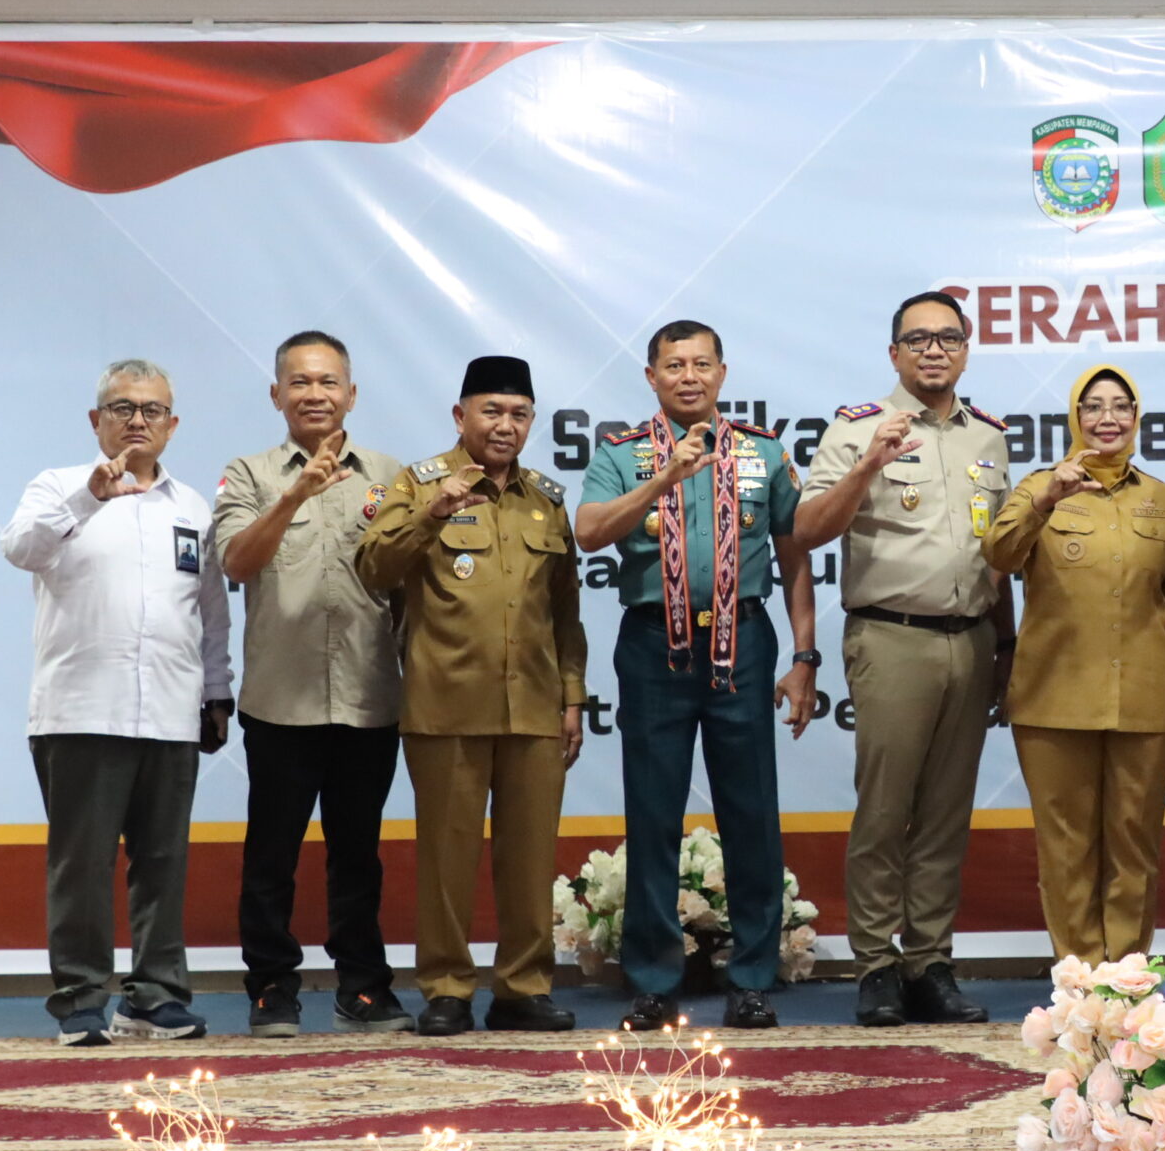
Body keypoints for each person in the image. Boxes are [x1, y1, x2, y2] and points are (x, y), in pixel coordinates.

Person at [577, 319, 818, 1032]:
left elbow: (797, 553)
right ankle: (653, 979)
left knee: (752, 812)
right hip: (655, 646)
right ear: (651, 377)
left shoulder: (762, 450)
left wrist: (805, 656)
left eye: (701, 363)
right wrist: (666, 477)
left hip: (743, 640)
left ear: (722, 372)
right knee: (652, 813)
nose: (689, 375)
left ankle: (751, 977)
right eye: (673, 364)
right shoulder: (621, 453)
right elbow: (589, 531)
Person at [793, 291, 1011, 1027]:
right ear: (894, 354)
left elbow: (1000, 555)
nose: (933, 350)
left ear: (966, 348)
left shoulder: (988, 437)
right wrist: (868, 466)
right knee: (886, 810)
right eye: (917, 339)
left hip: (973, 638)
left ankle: (929, 962)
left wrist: (1006, 649)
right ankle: (876, 966)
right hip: (891, 636)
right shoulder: (858, 429)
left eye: (947, 338)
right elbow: (809, 528)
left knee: (947, 813)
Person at [0, 359, 231, 1046]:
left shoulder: (193, 507)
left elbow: (211, 612)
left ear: (173, 423)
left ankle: (155, 996)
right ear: (95, 418)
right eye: (122, 406)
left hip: (170, 707)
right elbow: (19, 548)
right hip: (80, 709)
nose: (137, 419)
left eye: (152, 409)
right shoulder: (55, 487)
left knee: (163, 859)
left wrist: (217, 691)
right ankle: (79, 997)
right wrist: (88, 499)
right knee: (84, 860)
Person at [355, 355, 588, 1036]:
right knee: (447, 858)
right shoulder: (421, 481)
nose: (504, 425)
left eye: (518, 413)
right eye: (491, 410)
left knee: (530, 858)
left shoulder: (545, 499)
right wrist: (434, 512)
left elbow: (565, 613)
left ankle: (522, 986)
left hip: (537, 706)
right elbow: (374, 567)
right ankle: (448, 987)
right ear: (461, 416)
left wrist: (573, 696)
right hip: (446, 703)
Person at [211, 331, 409, 1038]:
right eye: (300, 382)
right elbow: (237, 561)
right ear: (277, 395)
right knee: (272, 854)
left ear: (351, 394)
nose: (315, 394)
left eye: (328, 382)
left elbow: (410, 589)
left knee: (358, 853)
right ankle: (271, 987)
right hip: (281, 699)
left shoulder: (390, 475)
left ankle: (362, 985)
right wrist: (295, 493)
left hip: (367, 695)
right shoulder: (250, 473)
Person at [984, 363, 1165, 964]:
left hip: (1144, 700)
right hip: (1053, 700)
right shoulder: (1039, 487)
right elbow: (1000, 555)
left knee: (1134, 849)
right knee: (1066, 850)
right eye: (1093, 406)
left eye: (1120, 406)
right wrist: (1047, 500)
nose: (1106, 418)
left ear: (1137, 418)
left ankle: (1128, 981)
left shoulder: (1163, 502)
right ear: (1074, 418)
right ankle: (1080, 988)